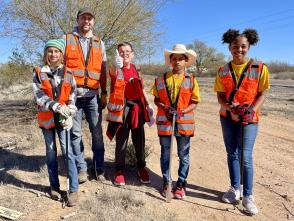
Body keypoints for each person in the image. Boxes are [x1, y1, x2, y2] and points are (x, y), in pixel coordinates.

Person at [214, 29, 270, 215]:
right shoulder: (223, 70)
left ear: (249, 46)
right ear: (229, 47)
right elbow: (220, 96)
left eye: (243, 46)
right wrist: (231, 108)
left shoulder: (260, 68)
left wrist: (250, 110)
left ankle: (248, 196)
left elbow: (263, 93)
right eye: (235, 46)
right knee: (232, 154)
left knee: (245, 156)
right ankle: (234, 189)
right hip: (228, 118)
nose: (239, 49)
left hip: (249, 119)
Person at [63, 7, 108, 183]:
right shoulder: (66, 40)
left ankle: (99, 168)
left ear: (93, 22)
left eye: (90, 18)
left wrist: (104, 92)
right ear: (78, 20)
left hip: (93, 95)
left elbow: (103, 70)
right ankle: (81, 169)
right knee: (75, 133)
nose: (86, 21)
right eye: (83, 18)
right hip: (73, 96)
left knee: (96, 132)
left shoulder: (99, 43)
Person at [32, 39, 79, 206]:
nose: (53, 54)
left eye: (56, 51)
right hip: (47, 118)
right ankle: (54, 186)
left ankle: (73, 189)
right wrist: (56, 106)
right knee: (51, 151)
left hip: (63, 118)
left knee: (68, 152)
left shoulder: (68, 72)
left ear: (61, 54)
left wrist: (70, 113)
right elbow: (39, 96)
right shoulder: (39, 71)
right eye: (50, 51)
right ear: (46, 54)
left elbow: (73, 94)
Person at [151, 44, 200, 199]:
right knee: (165, 154)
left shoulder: (191, 80)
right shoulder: (161, 79)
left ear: (186, 61)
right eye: (175, 59)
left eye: (181, 59)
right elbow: (156, 98)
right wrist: (163, 107)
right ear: (170, 61)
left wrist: (182, 111)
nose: (177, 62)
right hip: (165, 123)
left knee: (183, 155)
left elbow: (195, 102)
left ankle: (181, 185)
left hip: (183, 123)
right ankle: (166, 183)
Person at [106, 42, 153, 186]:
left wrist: (148, 104)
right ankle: (119, 170)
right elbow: (112, 73)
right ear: (118, 54)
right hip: (122, 110)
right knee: (122, 141)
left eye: (127, 51)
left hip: (137, 109)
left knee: (140, 141)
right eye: (121, 52)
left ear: (132, 54)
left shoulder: (137, 69)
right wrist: (116, 65)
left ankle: (141, 167)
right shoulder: (115, 68)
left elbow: (142, 88)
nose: (125, 54)